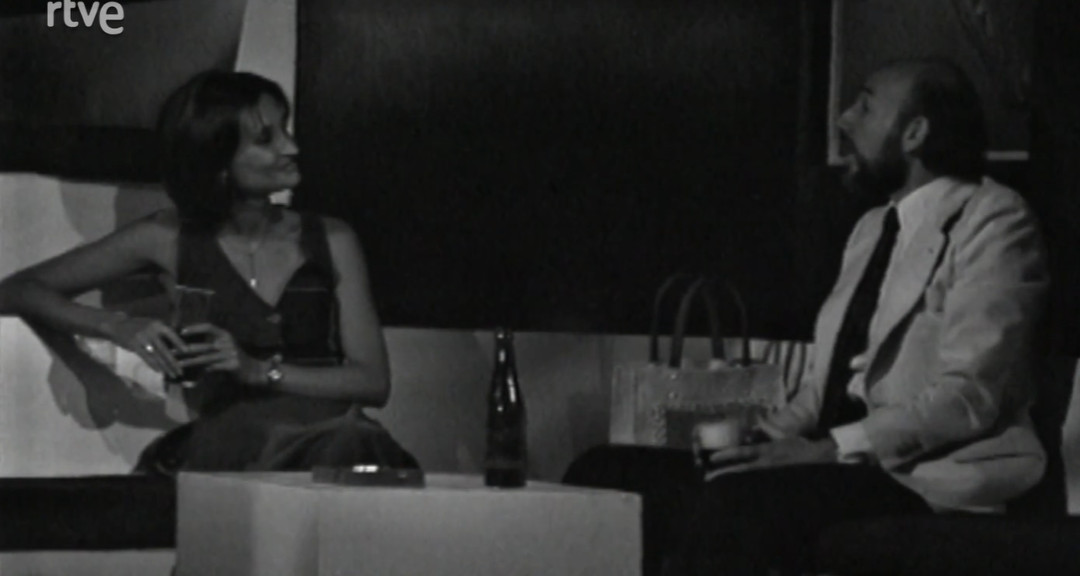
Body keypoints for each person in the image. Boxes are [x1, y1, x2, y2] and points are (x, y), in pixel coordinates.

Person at [567, 57, 1050, 576]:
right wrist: (760, 441)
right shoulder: (871, 228)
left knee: (740, 504)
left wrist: (828, 450)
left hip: (918, 475)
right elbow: (826, 388)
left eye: (864, 106)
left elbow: (968, 397)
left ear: (915, 133)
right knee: (607, 470)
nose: (844, 119)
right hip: (832, 459)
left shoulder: (994, 219)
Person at [0, 70, 418, 474]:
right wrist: (117, 326)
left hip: (335, 443)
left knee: (357, 446)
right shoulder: (167, 237)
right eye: (266, 139)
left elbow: (373, 382)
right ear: (217, 161)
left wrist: (259, 371)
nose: (291, 147)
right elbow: (18, 289)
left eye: (286, 130)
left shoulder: (332, 237)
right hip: (235, 447)